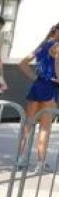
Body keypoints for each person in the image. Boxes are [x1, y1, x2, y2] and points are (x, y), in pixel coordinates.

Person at [16, 26, 59, 171]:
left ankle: (21, 159)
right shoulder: (57, 47)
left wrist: (35, 78)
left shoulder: (41, 46)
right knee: (45, 127)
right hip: (50, 87)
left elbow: (22, 63)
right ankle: (40, 163)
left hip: (37, 86)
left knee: (29, 125)